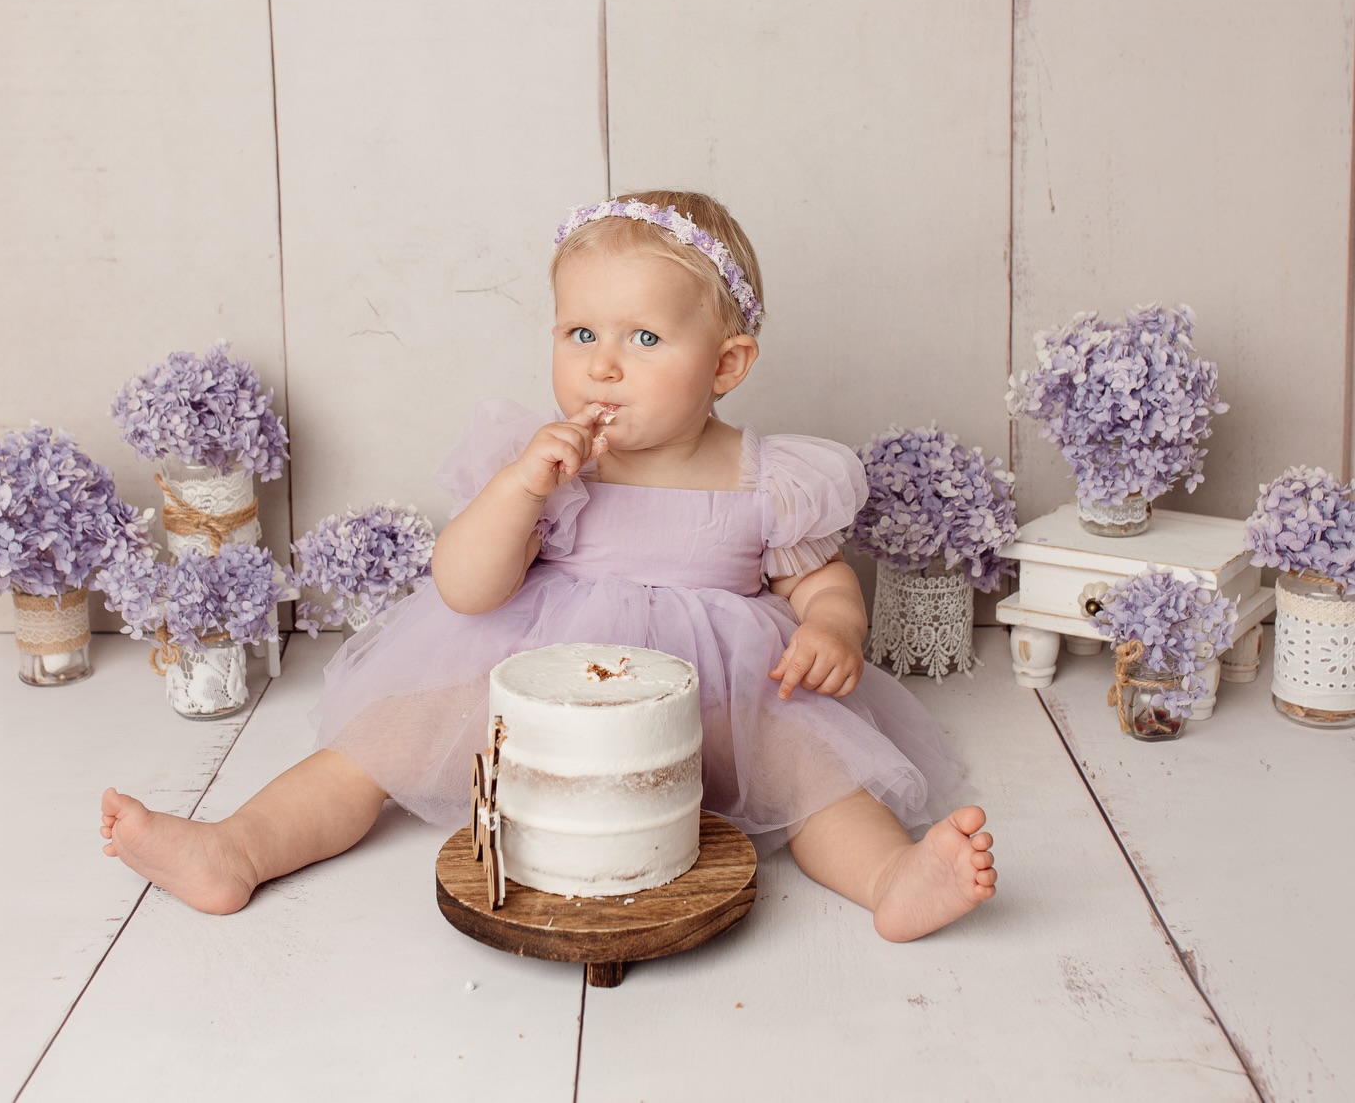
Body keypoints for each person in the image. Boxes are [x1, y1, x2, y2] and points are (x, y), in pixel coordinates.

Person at [101, 190, 997, 941]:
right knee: (383, 741)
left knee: (814, 770)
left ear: (726, 364)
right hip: (537, 695)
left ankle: (891, 881)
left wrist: (834, 626)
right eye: (579, 333)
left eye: (644, 339)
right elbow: (466, 586)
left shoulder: (767, 476)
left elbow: (819, 579)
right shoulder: (549, 463)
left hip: (715, 701)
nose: (603, 365)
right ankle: (239, 847)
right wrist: (520, 490)